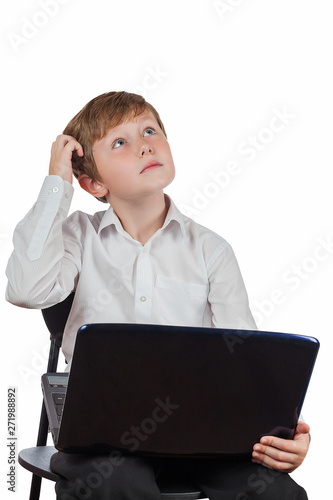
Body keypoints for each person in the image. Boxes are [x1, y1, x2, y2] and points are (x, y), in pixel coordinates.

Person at [5, 91, 310, 499]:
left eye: (150, 130)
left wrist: (282, 434)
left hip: (203, 435)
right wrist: (57, 183)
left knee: (274, 492)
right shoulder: (77, 236)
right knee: (118, 481)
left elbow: (248, 363)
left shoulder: (210, 250)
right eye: (120, 142)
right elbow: (26, 289)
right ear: (93, 183)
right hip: (103, 440)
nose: (145, 144)